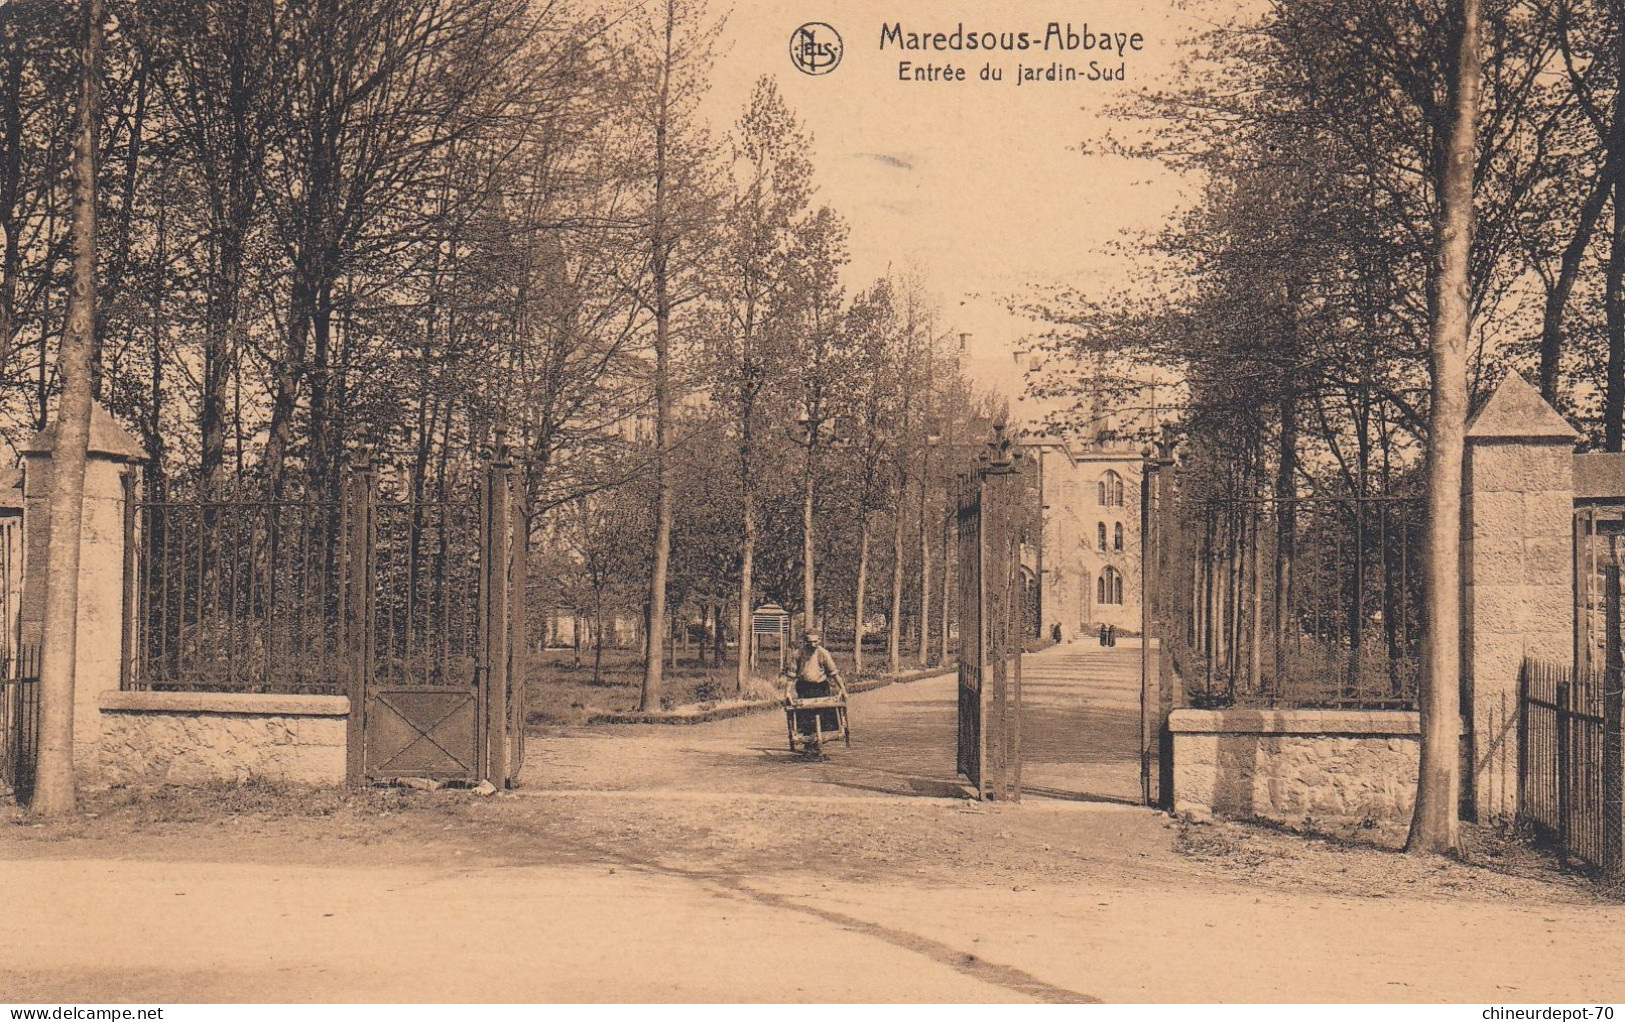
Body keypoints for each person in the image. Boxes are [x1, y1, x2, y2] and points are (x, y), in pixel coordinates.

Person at [784, 630, 847, 749]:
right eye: (809, 642)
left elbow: (834, 673)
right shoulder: (798, 653)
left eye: (815, 641)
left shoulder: (823, 653)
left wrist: (843, 689)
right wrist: (787, 692)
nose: (812, 644)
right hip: (804, 687)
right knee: (806, 714)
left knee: (823, 714)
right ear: (805, 641)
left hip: (820, 687)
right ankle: (808, 739)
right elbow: (791, 675)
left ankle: (820, 738)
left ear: (819, 640)